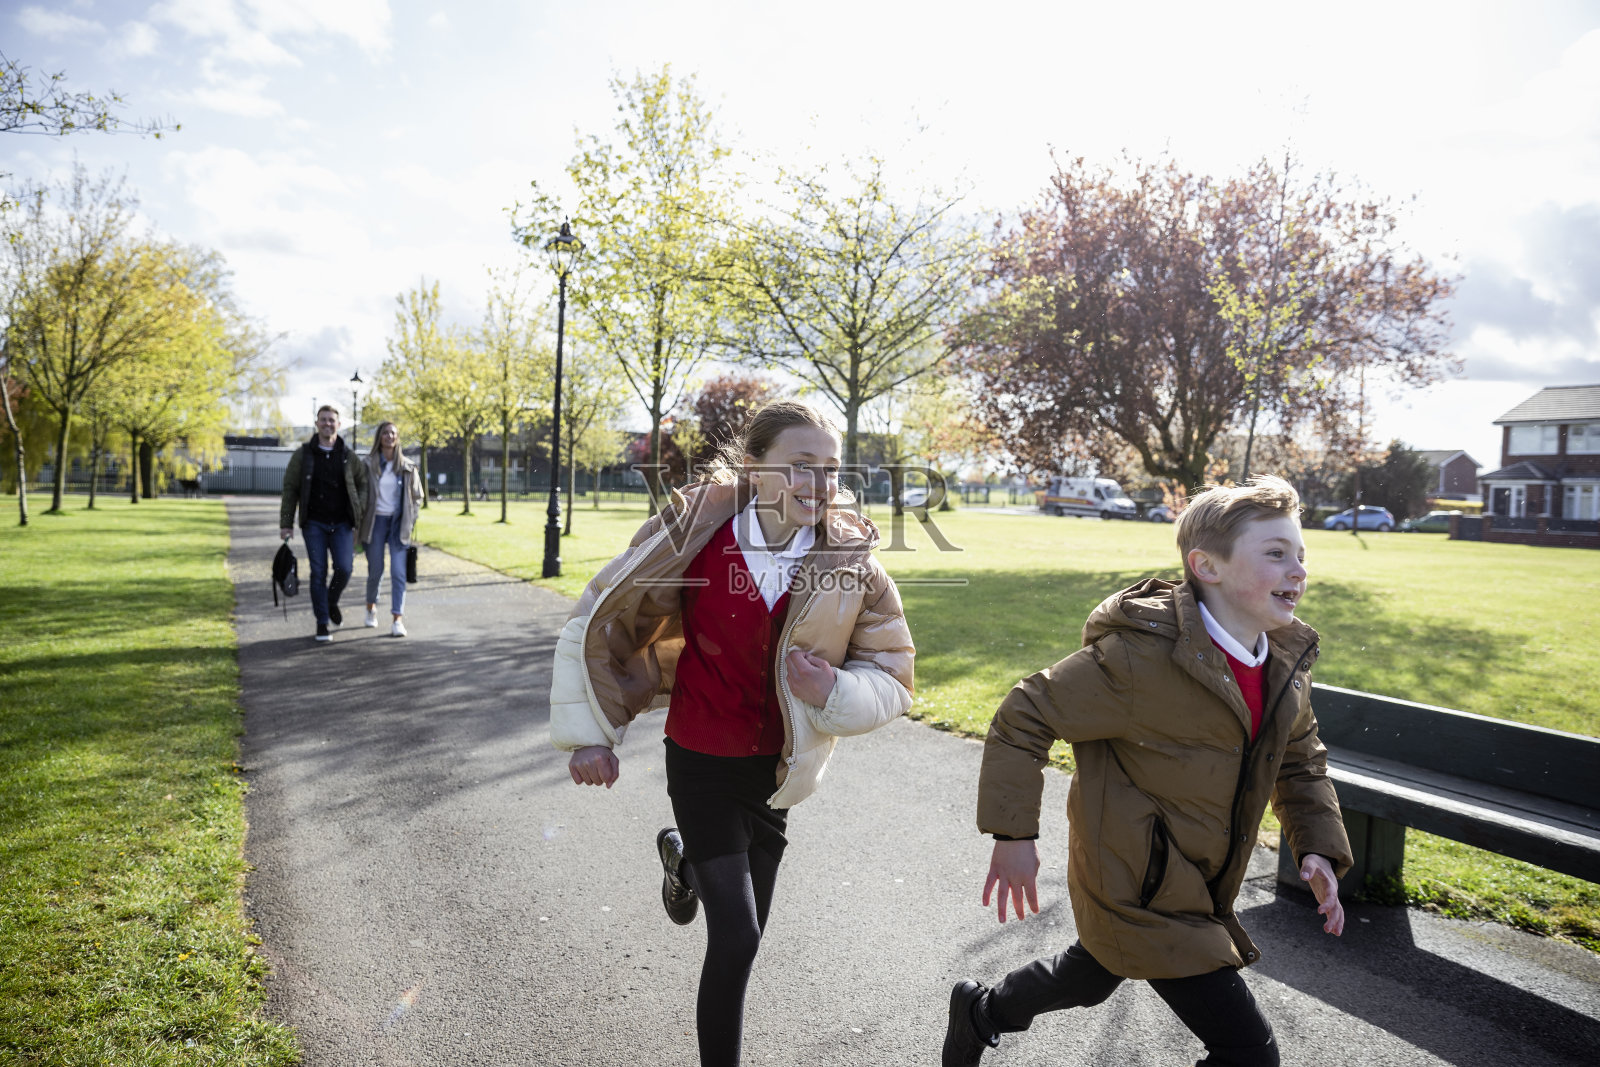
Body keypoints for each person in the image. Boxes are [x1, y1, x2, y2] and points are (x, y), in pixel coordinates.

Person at [548, 399, 915, 1067]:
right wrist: (592, 733)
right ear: (755, 468)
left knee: (748, 935)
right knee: (738, 938)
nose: (818, 483)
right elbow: (605, 616)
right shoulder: (694, 534)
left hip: (776, 772)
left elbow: (893, 668)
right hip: (700, 756)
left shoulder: (849, 559)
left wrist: (833, 691)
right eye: (800, 464)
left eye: (831, 467)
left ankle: (684, 857)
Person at [943, 475, 1353, 1067]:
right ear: (1206, 566)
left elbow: (1300, 759)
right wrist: (1013, 836)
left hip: (1198, 877)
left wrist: (1316, 845)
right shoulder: (1139, 658)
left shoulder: (1282, 664)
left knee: (1092, 972)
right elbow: (1024, 715)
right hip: (1137, 881)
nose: (1298, 571)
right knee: (1248, 1053)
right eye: (1275, 554)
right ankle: (982, 1012)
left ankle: (981, 1012)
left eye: (1301, 555)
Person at [280, 405, 369, 643]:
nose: (328, 423)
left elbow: (363, 483)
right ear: (317, 424)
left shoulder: (348, 455)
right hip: (314, 524)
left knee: (345, 568)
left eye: (332, 420)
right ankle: (322, 622)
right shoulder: (303, 455)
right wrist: (286, 523)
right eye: (323, 420)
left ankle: (330, 601)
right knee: (318, 572)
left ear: (338, 425)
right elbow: (290, 488)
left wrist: (358, 507)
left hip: (341, 523)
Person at [358, 421, 423, 637]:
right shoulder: (367, 464)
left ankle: (397, 619)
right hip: (375, 522)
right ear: (379, 437)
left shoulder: (407, 466)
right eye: (385, 433)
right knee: (376, 571)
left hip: (398, 523)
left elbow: (417, 497)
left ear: (397, 437)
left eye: (393, 433)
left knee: (398, 572)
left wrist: (411, 518)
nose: (389, 436)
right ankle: (371, 608)